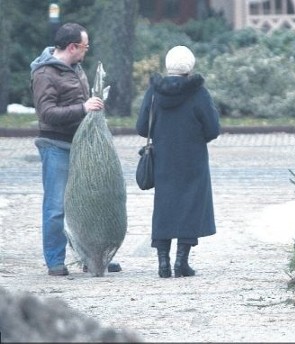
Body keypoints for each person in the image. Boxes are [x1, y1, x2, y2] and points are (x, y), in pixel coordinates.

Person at [30, 23, 121, 276]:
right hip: (55, 146)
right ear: (72, 47)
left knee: (88, 203)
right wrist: (83, 108)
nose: (86, 51)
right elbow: (46, 113)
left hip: (81, 146)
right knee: (56, 207)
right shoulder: (44, 73)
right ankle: (55, 261)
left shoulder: (76, 68)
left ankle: (91, 257)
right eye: (84, 46)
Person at [136, 45, 221, 278]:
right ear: (190, 66)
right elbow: (213, 129)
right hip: (192, 159)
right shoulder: (198, 92)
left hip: (163, 158)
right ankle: (181, 262)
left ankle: (163, 262)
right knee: (191, 207)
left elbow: (142, 127)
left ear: (167, 65)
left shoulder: (154, 92)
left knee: (164, 207)